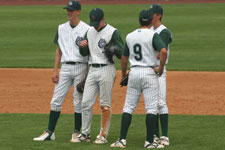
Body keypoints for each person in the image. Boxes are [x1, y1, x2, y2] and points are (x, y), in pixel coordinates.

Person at [33, 0, 90, 142]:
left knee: (78, 101)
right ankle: (50, 132)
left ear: (78, 11)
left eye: (71, 10)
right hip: (65, 68)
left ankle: (77, 132)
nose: (68, 12)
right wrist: (55, 70)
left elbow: (90, 53)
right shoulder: (61, 28)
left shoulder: (87, 29)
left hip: (81, 67)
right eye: (67, 10)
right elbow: (58, 50)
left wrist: (88, 74)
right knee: (56, 100)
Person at [110, 9, 167, 148]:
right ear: (150, 21)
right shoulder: (153, 35)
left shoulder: (130, 36)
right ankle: (149, 142)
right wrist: (160, 68)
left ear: (139, 20)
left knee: (128, 107)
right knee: (151, 108)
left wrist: (124, 75)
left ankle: (122, 140)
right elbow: (164, 51)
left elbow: (124, 58)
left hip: (134, 72)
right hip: (149, 73)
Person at [77, 8, 124, 144]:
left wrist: (115, 49)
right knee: (85, 103)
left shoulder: (113, 32)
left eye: (97, 22)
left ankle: (103, 135)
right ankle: (85, 134)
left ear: (103, 19)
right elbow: (84, 53)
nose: (94, 25)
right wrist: (82, 46)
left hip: (106, 69)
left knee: (104, 104)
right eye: (93, 22)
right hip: (93, 69)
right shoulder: (90, 31)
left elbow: (122, 54)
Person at [149, 4, 172, 146]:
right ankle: (155, 135)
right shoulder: (149, 30)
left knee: (161, 102)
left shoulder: (164, 31)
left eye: (152, 14)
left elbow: (159, 52)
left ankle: (164, 136)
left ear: (158, 15)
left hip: (160, 70)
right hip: (149, 71)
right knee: (152, 103)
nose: (150, 16)